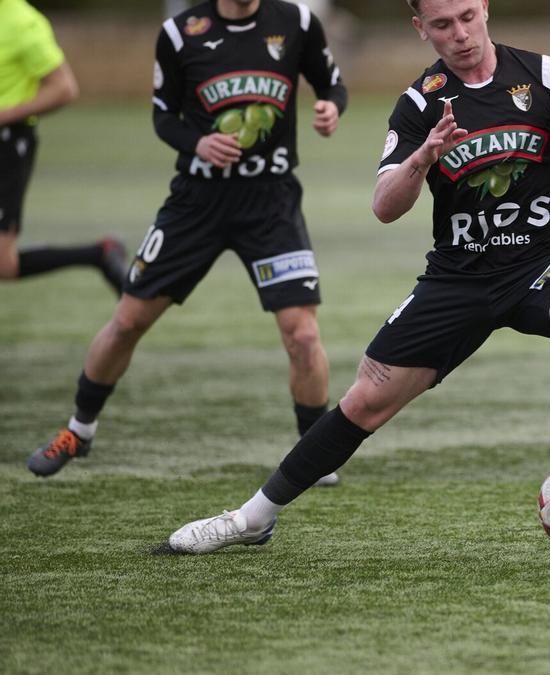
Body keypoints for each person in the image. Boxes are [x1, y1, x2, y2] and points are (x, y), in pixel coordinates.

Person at [165, 0, 550, 554]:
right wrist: (423, 156)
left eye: (469, 16)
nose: (462, 34)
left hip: (538, 267)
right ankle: (253, 517)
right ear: (421, 28)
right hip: (458, 282)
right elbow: (383, 205)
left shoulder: (545, 78)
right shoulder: (419, 102)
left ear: (485, 8)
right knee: (364, 403)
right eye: (444, 25)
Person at [26, 0, 348, 487]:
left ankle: (315, 454)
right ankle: (79, 429)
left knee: (302, 334)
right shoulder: (180, 33)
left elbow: (331, 84)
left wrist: (331, 107)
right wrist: (196, 143)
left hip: (271, 204)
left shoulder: (297, 22)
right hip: (196, 205)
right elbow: (163, 117)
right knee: (129, 320)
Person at [1, 0, 126, 291]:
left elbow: (64, 88)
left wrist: (3, 115)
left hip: (7, 145)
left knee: (3, 264)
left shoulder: (23, 22)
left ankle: (99, 254)